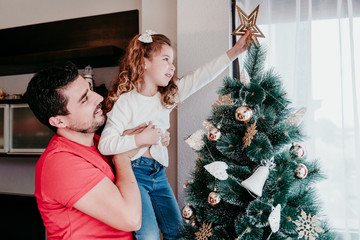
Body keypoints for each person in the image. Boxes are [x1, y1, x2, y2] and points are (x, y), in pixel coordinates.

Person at [97, 29, 250, 240]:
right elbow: (105, 145)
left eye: (173, 61)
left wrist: (234, 52)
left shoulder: (166, 96)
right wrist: (142, 139)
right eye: (166, 59)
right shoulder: (125, 102)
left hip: (157, 174)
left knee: (178, 232)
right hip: (134, 175)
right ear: (144, 62)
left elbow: (200, 77)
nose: (173, 67)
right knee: (148, 235)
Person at [24, 62, 153, 240]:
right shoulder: (60, 163)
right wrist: (122, 155)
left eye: (90, 89)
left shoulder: (99, 143)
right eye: (84, 99)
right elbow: (130, 219)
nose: (98, 98)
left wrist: (139, 141)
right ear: (59, 122)